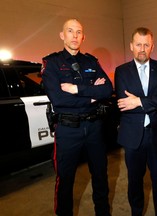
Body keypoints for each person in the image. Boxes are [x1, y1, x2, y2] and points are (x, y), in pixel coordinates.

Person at [41, 18, 112, 216]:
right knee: (65, 181)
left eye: (78, 32)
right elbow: (58, 99)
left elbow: (107, 89)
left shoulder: (91, 61)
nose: (74, 35)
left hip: (94, 128)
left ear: (83, 37)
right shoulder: (52, 63)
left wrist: (77, 89)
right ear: (62, 35)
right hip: (68, 130)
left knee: (100, 177)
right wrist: (91, 97)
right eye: (70, 31)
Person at [114, 27, 157, 216]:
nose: (142, 49)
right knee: (134, 181)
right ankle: (136, 212)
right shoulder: (121, 71)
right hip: (133, 136)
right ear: (132, 46)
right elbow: (124, 103)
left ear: (152, 47)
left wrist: (139, 101)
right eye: (139, 44)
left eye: (146, 45)